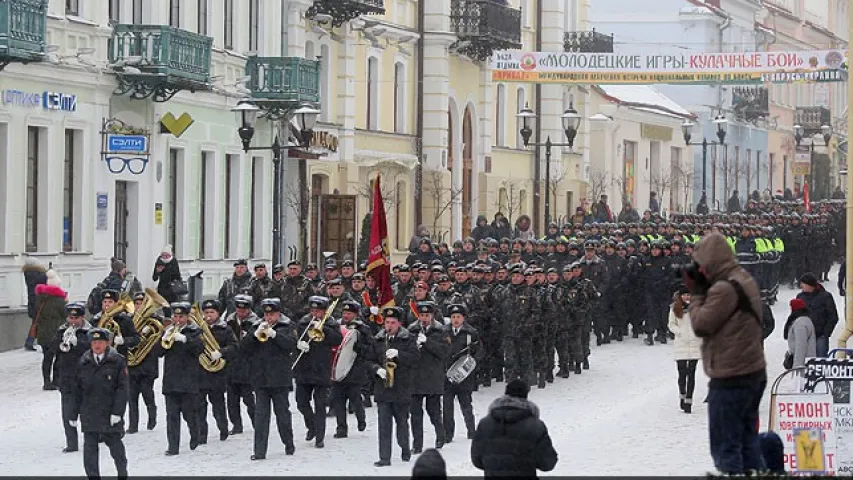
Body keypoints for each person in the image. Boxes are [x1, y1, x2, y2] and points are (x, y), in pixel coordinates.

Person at [685, 232, 767, 475]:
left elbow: (701, 324)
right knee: (748, 444)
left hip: (732, 376)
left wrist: (697, 293)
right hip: (752, 371)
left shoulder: (724, 289)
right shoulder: (742, 278)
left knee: (726, 449)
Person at [69, 328, 129, 479]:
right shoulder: (84, 362)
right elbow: (76, 390)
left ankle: (122, 473)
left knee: (116, 447)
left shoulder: (117, 361)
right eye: (94, 342)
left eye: (100, 342)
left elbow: (123, 389)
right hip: (89, 412)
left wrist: (118, 412)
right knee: (89, 450)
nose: (97, 345)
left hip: (109, 412)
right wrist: (73, 413)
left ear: (107, 343)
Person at [242, 298, 297, 460]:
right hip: (261, 379)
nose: (269, 318)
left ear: (278, 313)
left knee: (283, 415)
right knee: (261, 418)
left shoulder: (287, 326)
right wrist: (254, 335)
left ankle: (289, 443)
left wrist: (275, 335)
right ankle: (259, 451)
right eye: (266, 314)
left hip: (280, 379)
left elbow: (291, 345)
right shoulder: (255, 326)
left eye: (272, 314)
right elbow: (244, 347)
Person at [470, 379, 558, 477]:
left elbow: (476, 459)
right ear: (525, 396)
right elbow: (548, 463)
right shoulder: (535, 426)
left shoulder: (485, 424)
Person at [370, 307, 419, 467]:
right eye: (387, 322)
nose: (389, 325)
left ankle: (405, 447)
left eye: (393, 322)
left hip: (401, 388)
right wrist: (377, 369)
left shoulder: (408, 339)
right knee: (384, 425)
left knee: (402, 422)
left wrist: (399, 354)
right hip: (383, 389)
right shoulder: (378, 339)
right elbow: (367, 361)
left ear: (399, 323)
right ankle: (384, 457)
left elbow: (415, 359)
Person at [293, 296, 343, 449]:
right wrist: (299, 345)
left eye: (319, 311)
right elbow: (294, 340)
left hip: (321, 369)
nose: (315, 314)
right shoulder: (302, 322)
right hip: (304, 368)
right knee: (301, 402)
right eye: (313, 310)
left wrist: (323, 328)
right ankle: (312, 426)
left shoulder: (331, 323)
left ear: (325, 311)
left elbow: (337, 340)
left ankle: (319, 437)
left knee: (320, 405)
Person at [160, 301, 204, 455]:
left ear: (187, 317)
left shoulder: (194, 331)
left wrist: (185, 340)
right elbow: (158, 352)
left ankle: (195, 433)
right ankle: (173, 447)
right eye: (176, 316)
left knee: (189, 414)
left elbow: (199, 349)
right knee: (171, 416)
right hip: (171, 381)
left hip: (188, 380)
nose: (178, 320)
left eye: (181, 317)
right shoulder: (168, 330)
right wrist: (164, 337)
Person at [408, 302, 450, 453]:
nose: (424, 318)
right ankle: (417, 444)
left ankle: (440, 435)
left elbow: (444, 352)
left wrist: (428, 342)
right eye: (422, 315)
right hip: (415, 378)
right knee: (415, 415)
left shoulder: (441, 330)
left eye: (427, 315)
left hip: (433, 377)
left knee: (433, 412)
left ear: (432, 316)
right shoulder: (411, 330)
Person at [196, 299, 238, 444]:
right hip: (200, 372)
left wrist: (221, 352)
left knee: (218, 404)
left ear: (218, 313)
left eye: (212, 312)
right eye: (206, 312)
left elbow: (234, 347)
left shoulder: (225, 329)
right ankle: (202, 434)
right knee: (200, 406)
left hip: (217, 373)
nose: (208, 315)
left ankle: (223, 428)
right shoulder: (197, 328)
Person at [52, 302, 91, 453]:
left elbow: (92, 349)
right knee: (68, 412)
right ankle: (71, 443)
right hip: (67, 378)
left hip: (85, 378)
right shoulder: (62, 330)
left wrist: (78, 343)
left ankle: (92, 438)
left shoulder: (89, 331)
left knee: (88, 411)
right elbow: (53, 349)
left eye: (76, 318)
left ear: (82, 317)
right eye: (70, 318)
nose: (73, 321)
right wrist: (62, 339)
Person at [331, 301, 374, 438]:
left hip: (355, 369)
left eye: (349, 313)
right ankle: (341, 428)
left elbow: (371, 349)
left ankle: (361, 419)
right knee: (338, 400)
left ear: (356, 314)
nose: (346, 316)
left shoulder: (363, 329)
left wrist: (359, 347)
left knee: (355, 398)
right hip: (338, 368)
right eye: (344, 313)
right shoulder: (337, 326)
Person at [443, 304, 482, 443]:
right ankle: (448, 433)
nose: (455, 320)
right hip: (447, 375)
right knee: (447, 407)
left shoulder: (471, 332)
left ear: (463, 318)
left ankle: (471, 431)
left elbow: (479, 351)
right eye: (453, 317)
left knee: (466, 405)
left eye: (458, 317)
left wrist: (472, 365)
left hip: (465, 376)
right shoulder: (444, 331)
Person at [668, 286, 700, 414]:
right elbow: (671, 324)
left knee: (691, 374)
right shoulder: (674, 308)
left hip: (694, 343)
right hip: (681, 344)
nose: (687, 297)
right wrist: (679, 332)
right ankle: (682, 393)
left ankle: (689, 399)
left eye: (689, 295)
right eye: (684, 295)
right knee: (682, 373)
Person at [35, 270, 67, 390]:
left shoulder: (40, 298)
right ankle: (56, 380)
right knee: (59, 357)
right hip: (56, 332)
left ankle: (46, 381)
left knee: (47, 357)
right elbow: (65, 315)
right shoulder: (59, 300)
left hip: (42, 332)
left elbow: (34, 313)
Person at [796, 272, 839, 358]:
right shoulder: (800, 297)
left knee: (821, 361)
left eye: (803, 283)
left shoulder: (826, 296)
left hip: (820, 336)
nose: (801, 286)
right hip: (804, 337)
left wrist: (825, 333)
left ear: (809, 285)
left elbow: (833, 316)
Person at [21, 257, 47, 350]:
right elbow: (46, 282)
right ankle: (31, 342)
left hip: (32, 302)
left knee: (35, 323)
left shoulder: (28, 274)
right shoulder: (39, 275)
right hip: (39, 302)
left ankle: (30, 342)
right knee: (39, 323)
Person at [784, 298, 816, 369]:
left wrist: (797, 365)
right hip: (805, 360)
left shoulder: (800, 323)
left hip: (803, 362)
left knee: (801, 379)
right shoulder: (804, 320)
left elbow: (801, 345)